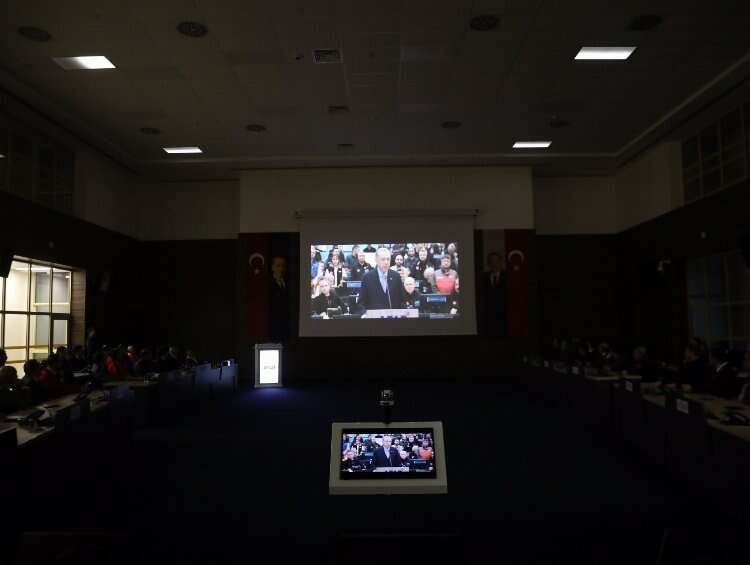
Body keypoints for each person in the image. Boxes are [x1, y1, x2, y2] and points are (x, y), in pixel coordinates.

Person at [356, 248, 406, 314]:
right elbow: (361, 302)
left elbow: (402, 300)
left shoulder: (396, 276)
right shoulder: (367, 277)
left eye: (388, 259)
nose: (386, 262)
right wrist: (365, 314)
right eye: (383, 259)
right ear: (376, 260)